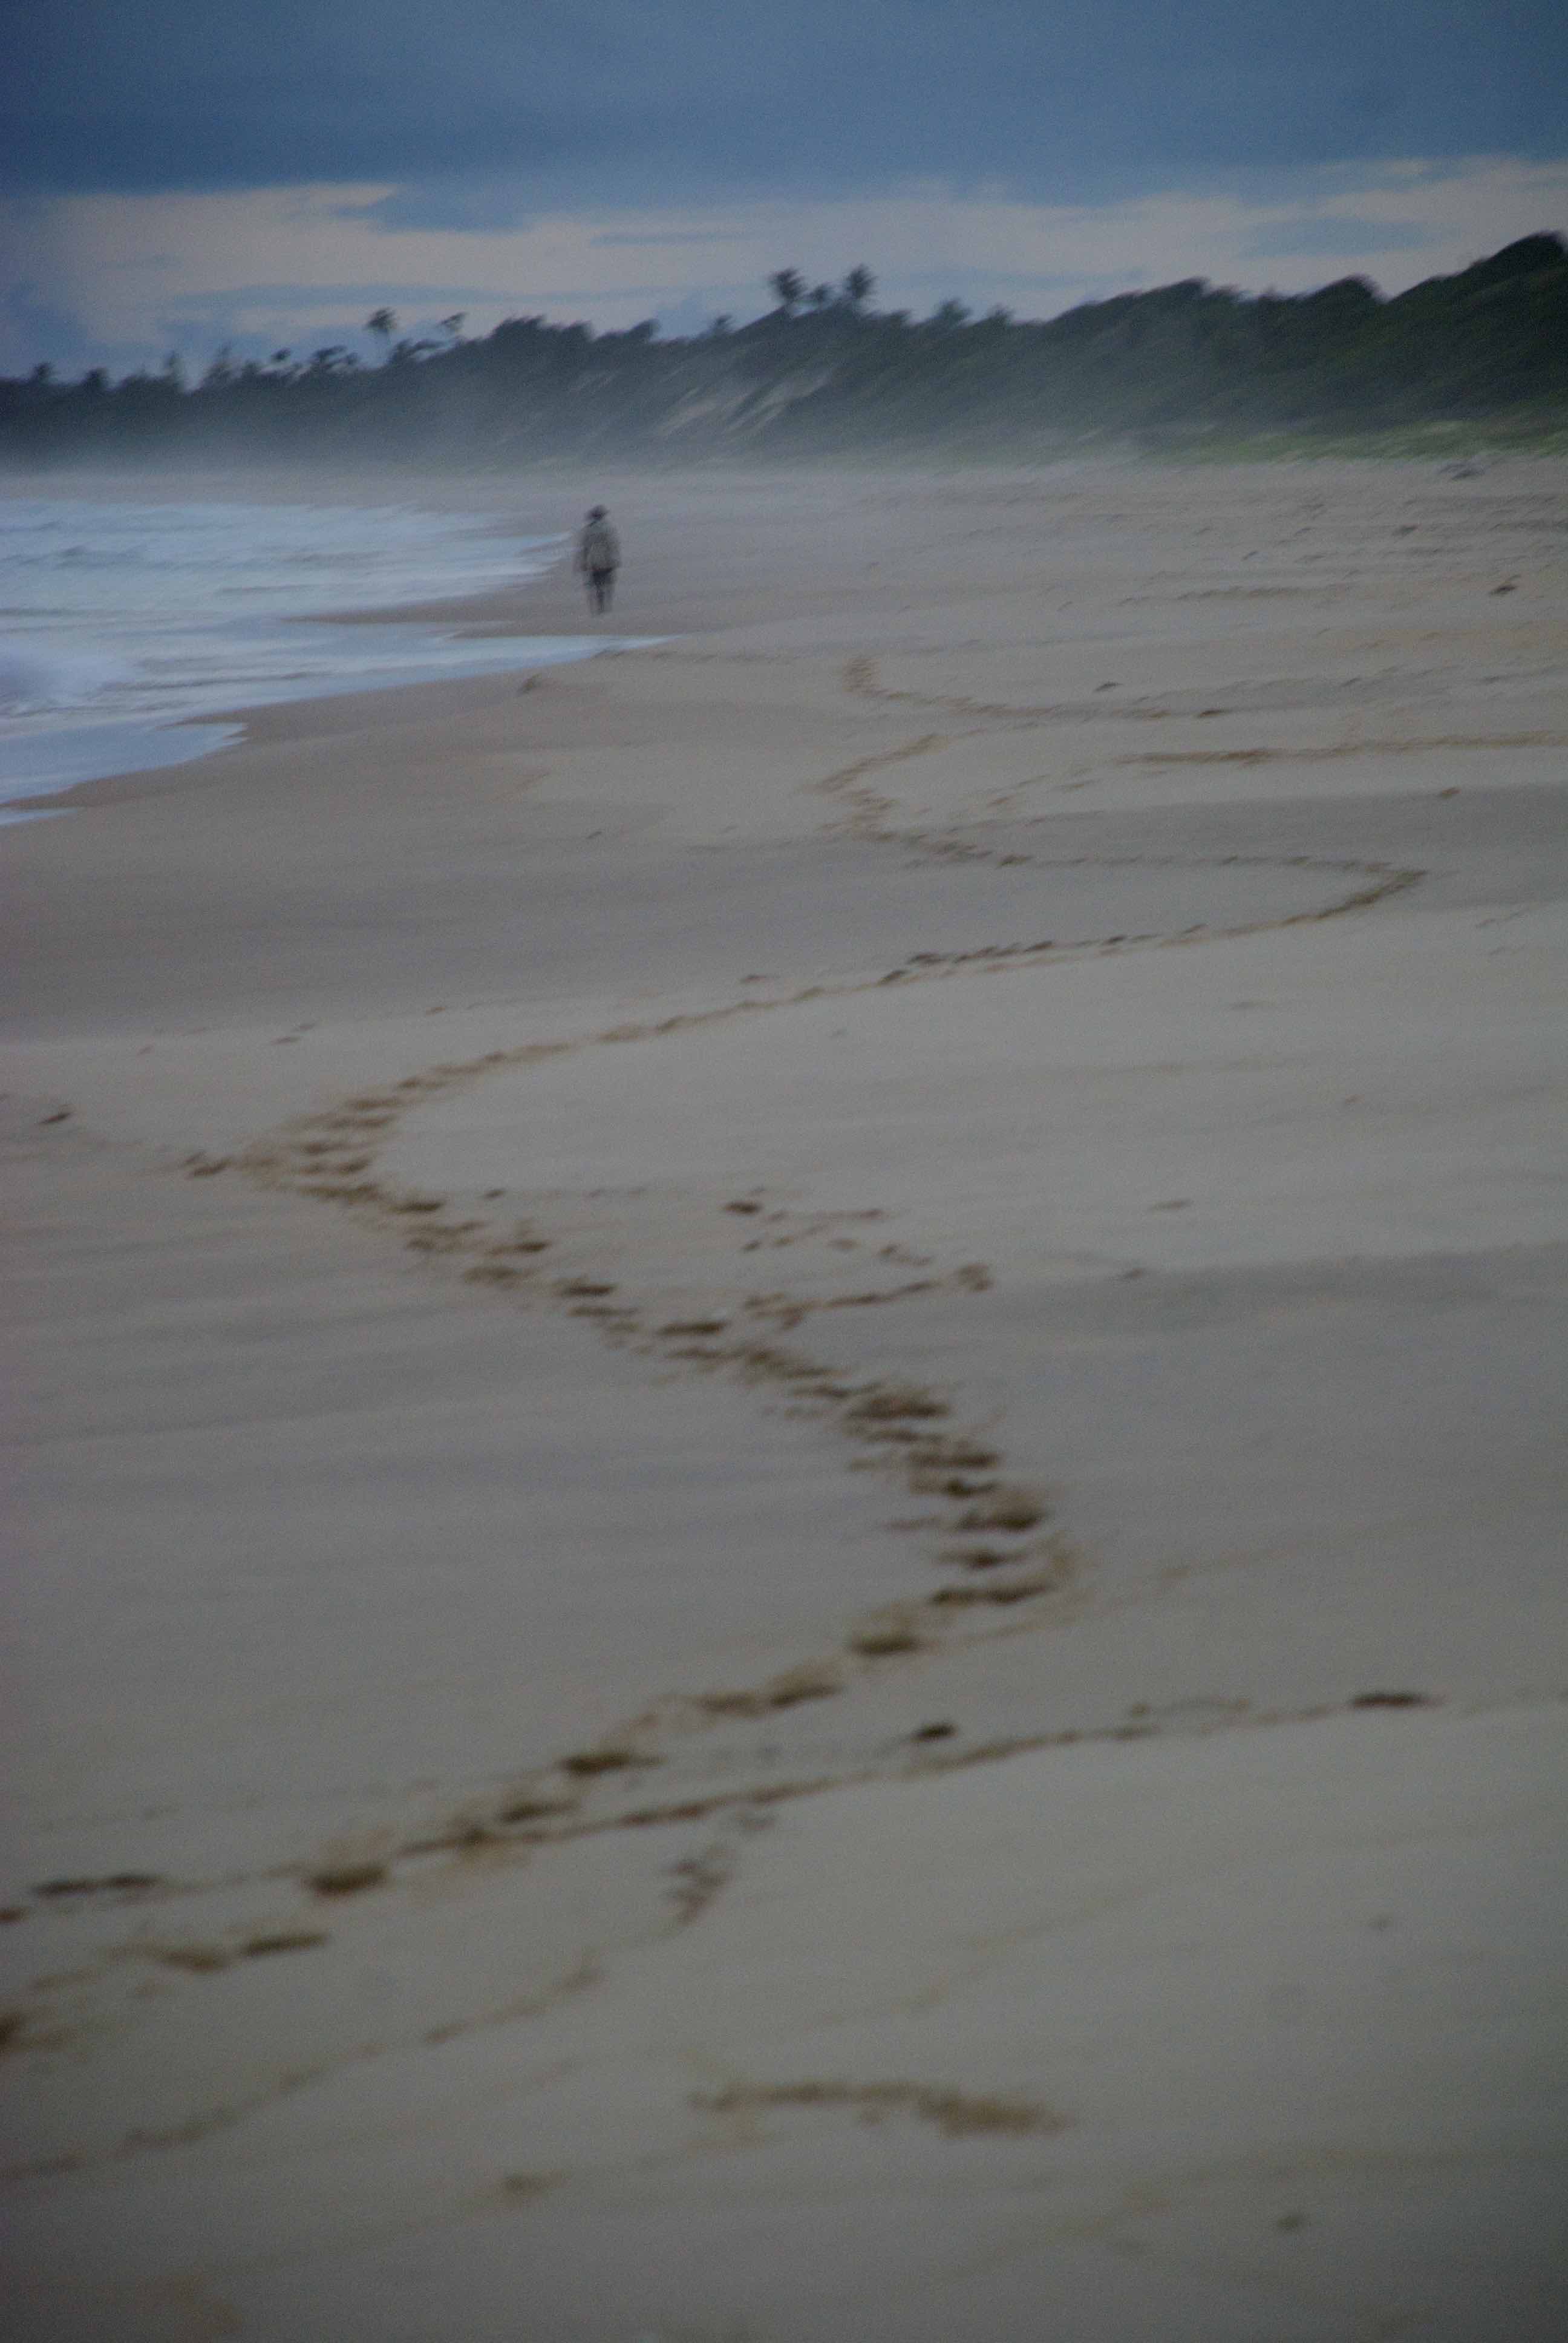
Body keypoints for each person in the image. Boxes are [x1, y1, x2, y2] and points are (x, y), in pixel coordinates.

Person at [575, 505, 621, 614]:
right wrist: (616, 560)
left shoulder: (588, 530)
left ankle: (599, 606)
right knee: (608, 583)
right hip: (608, 561)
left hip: (594, 562)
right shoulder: (609, 528)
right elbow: (613, 545)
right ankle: (607, 605)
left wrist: (583, 562)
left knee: (596, 585)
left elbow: (584, 548)